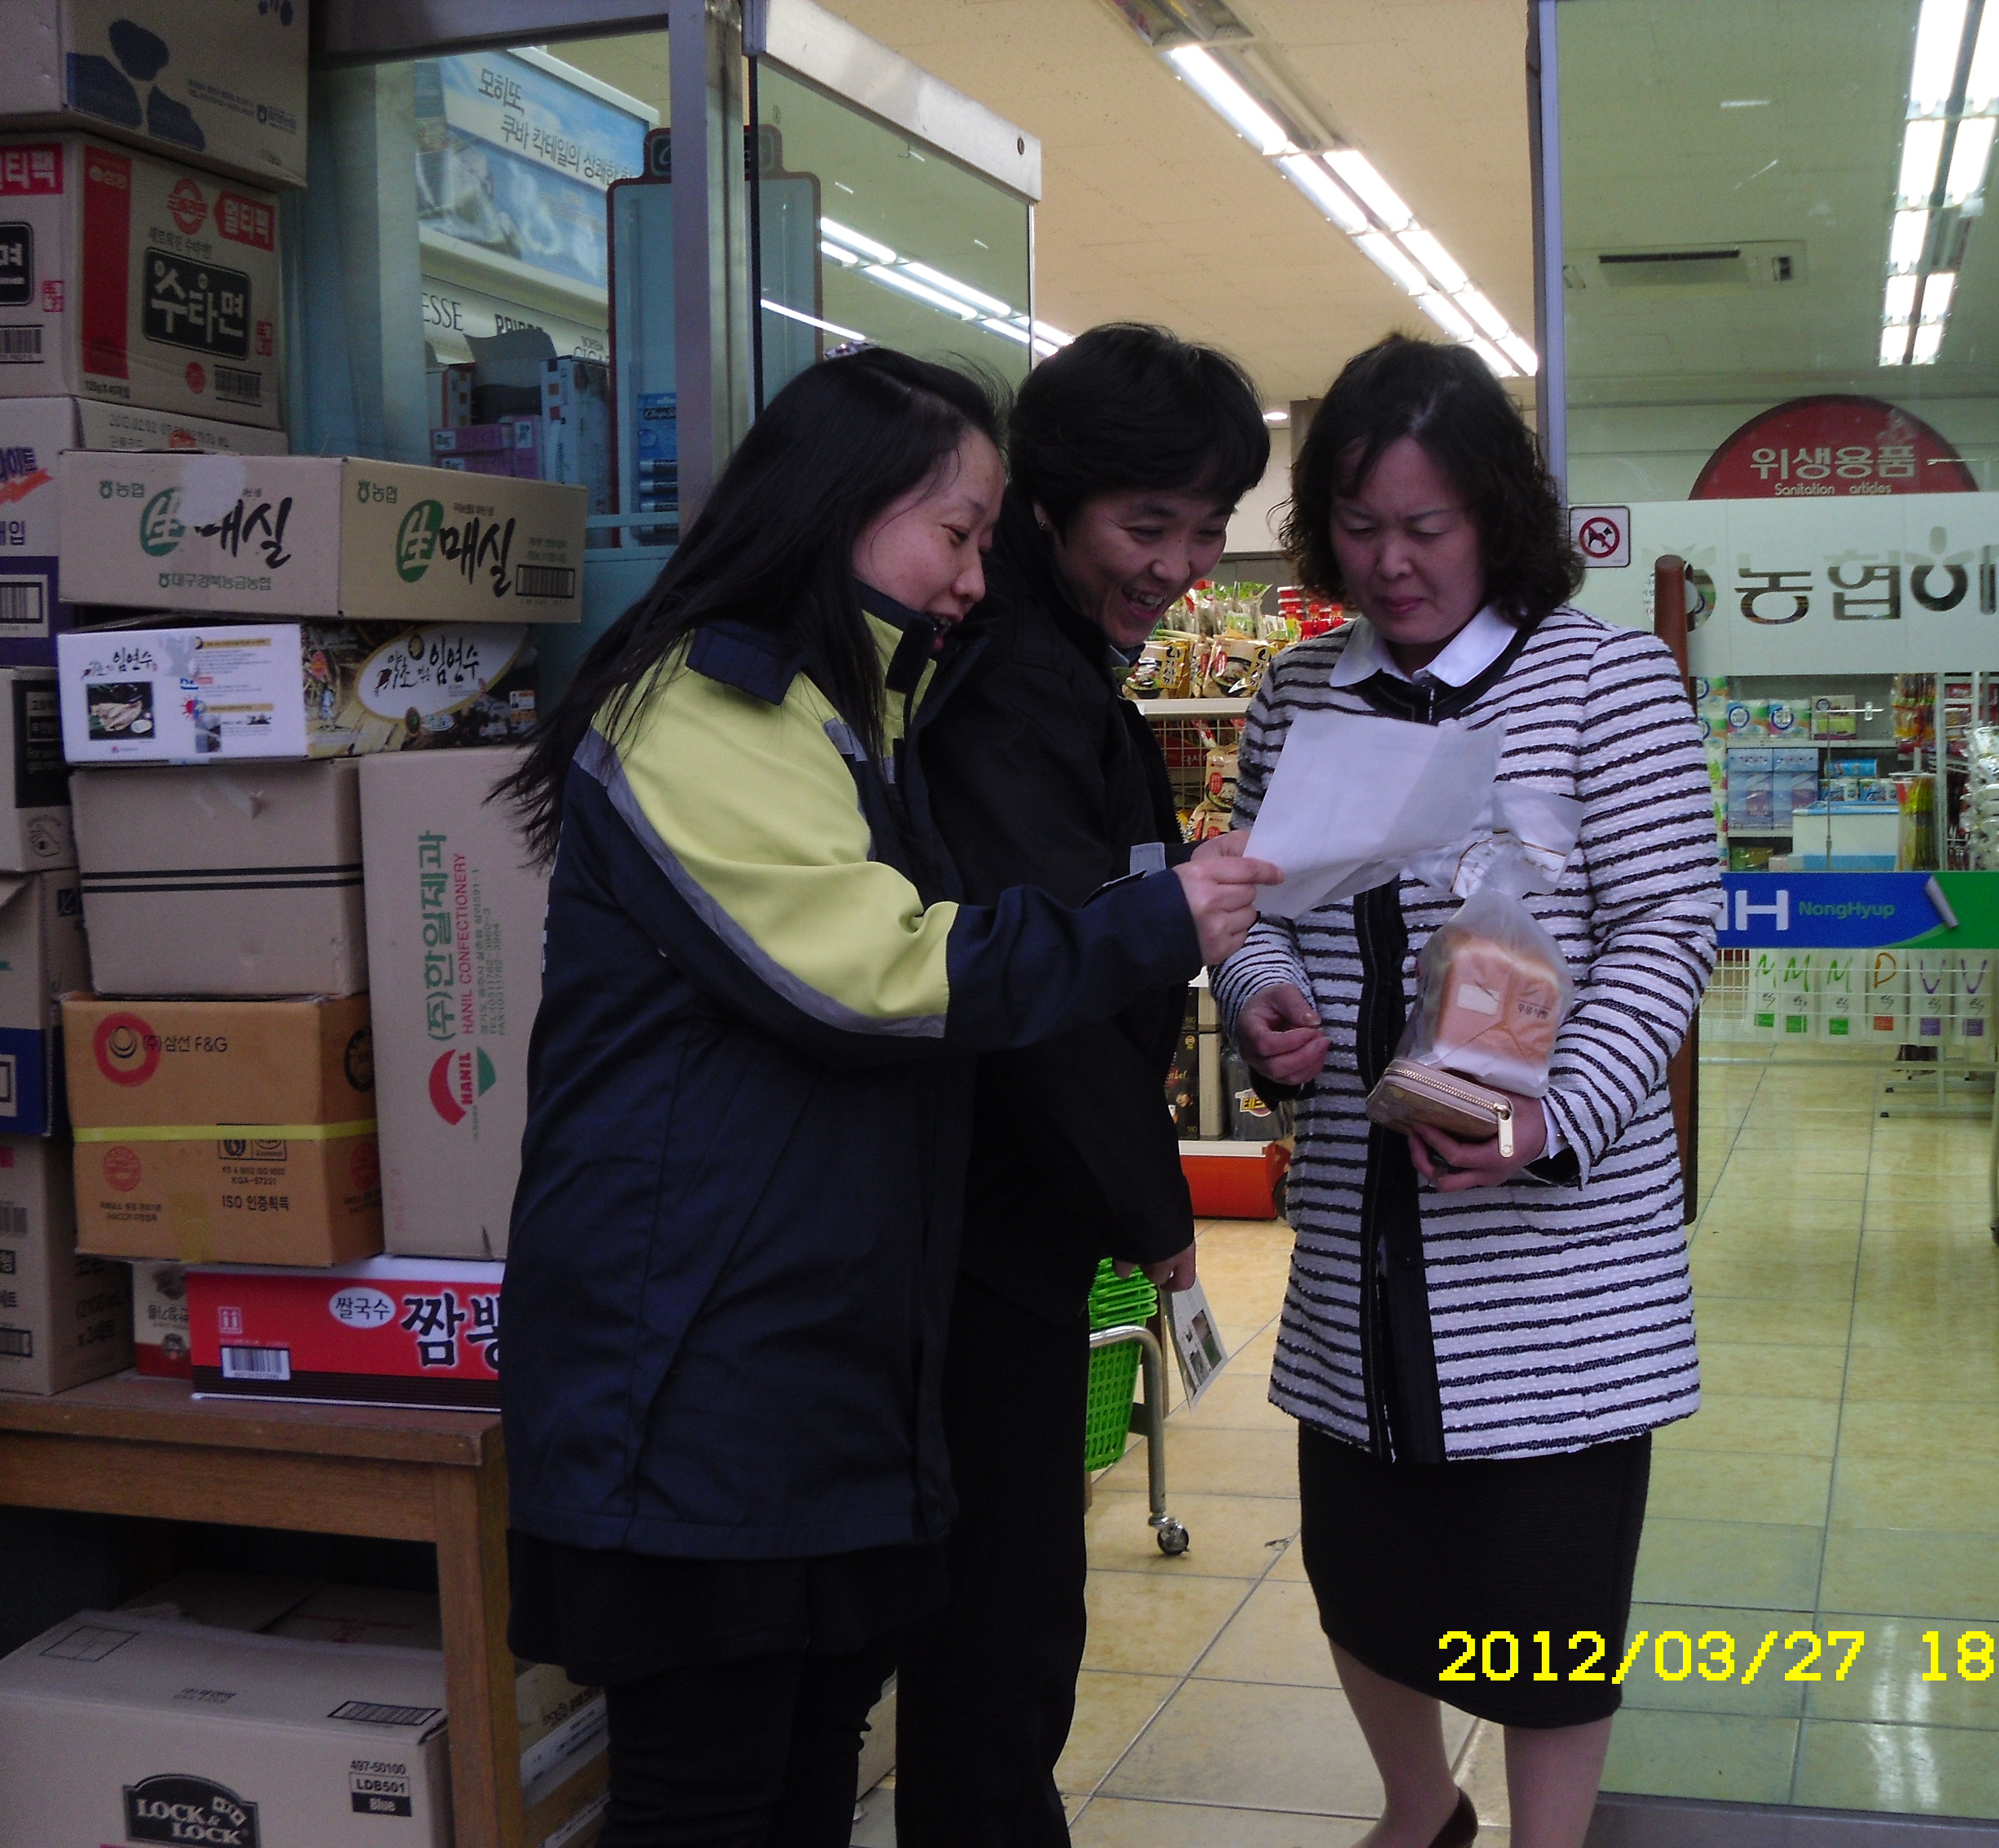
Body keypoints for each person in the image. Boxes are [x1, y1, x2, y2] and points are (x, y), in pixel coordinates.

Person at [495, 346, 1278, 1848]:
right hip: (695, 1367)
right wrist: (1154, 919)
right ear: (838, 507)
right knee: (709, 1795)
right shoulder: (702, 711)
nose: (977, 581)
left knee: (805, 1765)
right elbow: (874, 972)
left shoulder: (848, 715)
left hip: (809, 1362)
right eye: (958, 534)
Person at [1216, 336, 1719, 1848]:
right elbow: (1250, 906)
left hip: (1552, 1254)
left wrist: (1552, 1119)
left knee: (1548, 1595)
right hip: (1363, 1235)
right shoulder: (1300, 691)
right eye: (1360, 527)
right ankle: (1420, 1809)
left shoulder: (1603, 679)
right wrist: (1261, 999)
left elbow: (1671, 924)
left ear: (1495, 515)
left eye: (1425, 527)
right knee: (1363, 1565)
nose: (1392, 563)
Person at [900, 325, 1272, 1846]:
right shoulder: (1010, 687)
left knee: (1006, 1604)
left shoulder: (1065, 670)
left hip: (1012, 1209)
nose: (1179, 566)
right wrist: (1151, 1204)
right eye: (1147, 524)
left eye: (1209, 528)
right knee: (1002, 1617)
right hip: (985, 1216)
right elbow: (1032, 990)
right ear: (1046, 504)